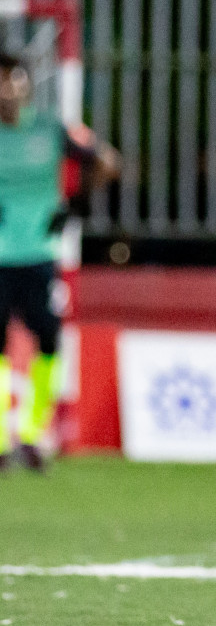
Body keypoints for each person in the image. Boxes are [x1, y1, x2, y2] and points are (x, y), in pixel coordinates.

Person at [0, 54, 116, 470]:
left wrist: (77, 204)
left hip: (38, 254)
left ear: (25, 85)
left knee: (46, 338)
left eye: (11, 81)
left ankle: (32, 433)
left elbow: (106, 160)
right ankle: (0, 436)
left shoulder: (50, 129)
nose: (5, 90)